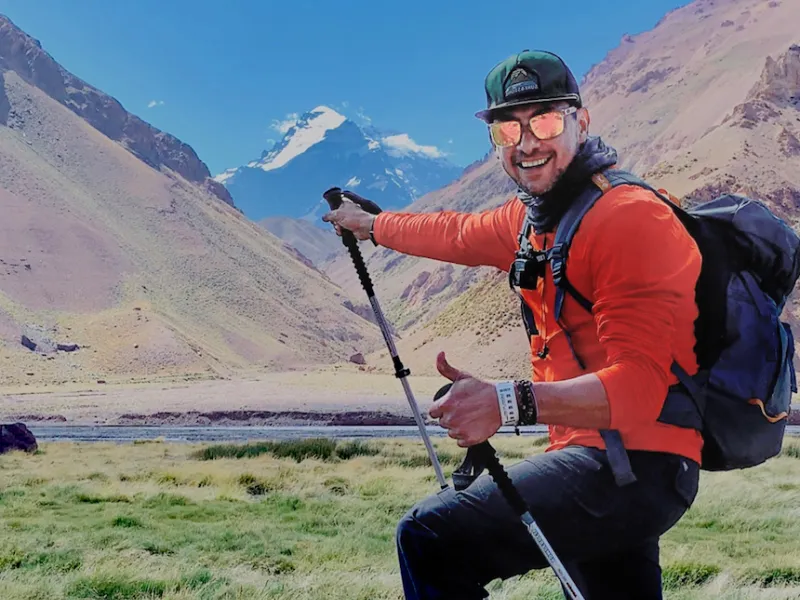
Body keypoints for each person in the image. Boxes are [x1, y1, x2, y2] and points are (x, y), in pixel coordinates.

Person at [323, 49, 702, 599]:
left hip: (636, 466)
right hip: (606, 462)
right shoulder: (536, 219)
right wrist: (373, 225)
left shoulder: (627, 219)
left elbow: (641, 388)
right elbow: (455, 233)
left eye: (544, 122)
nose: (526, 144)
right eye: (508, 129)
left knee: (429, 537)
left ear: (581, 122)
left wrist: (505, 402)